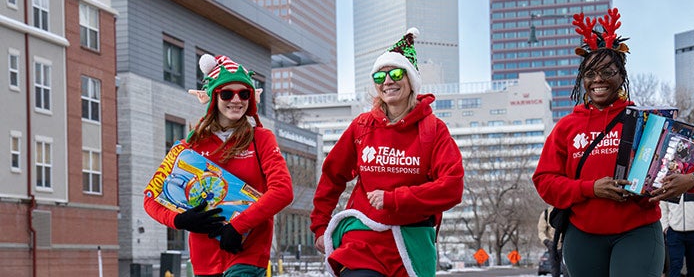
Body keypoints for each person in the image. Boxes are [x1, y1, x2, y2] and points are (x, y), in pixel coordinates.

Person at [531, 8, 694, 277]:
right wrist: (591, 188)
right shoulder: (567, 127)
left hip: (637, 232)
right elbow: (544, 181)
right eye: (590, 74)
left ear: (621, 75)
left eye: (607, 71)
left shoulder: (647, 121)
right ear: (583, 79)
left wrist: (692, 180)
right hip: (583, 236)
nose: (598, 80)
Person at [309, 28, 464, 277]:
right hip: (363, 237)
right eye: (380, 76)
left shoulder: (433, 129)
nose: (388, 81)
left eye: (396, 73)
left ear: (411, 80)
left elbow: (452, 187)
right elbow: (332, 175)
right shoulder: (361, 126)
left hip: (410, 242)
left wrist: (395, 199)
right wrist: (320, 224)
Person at [144, 54, 294, 277]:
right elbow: (150, 198)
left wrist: (237, 226)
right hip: (205, 260)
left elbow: (283, 191)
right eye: (227, 93)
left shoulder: (261, 139)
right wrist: (181, 219)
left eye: (244, 93)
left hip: (247, 253)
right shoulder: (191, 145)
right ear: (214, 97)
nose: (236, 100)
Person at [660, 189, 694, 277]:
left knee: (692, 267)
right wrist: (665, 226)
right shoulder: (670, 184)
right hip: (674, 232)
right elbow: (662, 206)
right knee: (675, 265)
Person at [538, 206, 569, 277]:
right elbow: (541, 232)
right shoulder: (546, 213)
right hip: (553, 247)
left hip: (565, 246)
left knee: (567, 271)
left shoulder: (567, 210)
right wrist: (546, 241)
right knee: (555, 271)